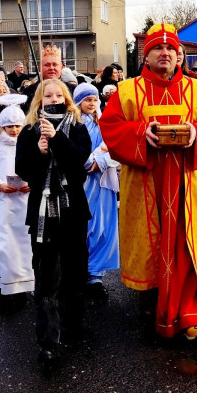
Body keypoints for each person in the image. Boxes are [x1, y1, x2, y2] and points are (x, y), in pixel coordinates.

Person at [99, 23, 197, 343]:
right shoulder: (128, 91)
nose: (165, 53)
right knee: (151, 248)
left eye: (171, 49)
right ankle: (154, 307)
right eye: (158, 48)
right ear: (147, 54)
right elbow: (111, 128)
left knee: (184, 248)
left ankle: (191, 318)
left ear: (180, 55)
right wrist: (143, 134)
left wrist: (196, 133)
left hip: (184, 185)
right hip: (145, 185)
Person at [15, 78, 92, 368]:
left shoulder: (78, 128)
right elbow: (23, 170)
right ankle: (48, 342)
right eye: (47, 95)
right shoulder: (30, 130)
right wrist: (40, 151)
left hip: (73, 210)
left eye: (58, 94)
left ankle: (72, 325)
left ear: (66, 97)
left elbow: (79, 166)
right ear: (39, 100)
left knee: (74, 271)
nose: (53, 98)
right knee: (46, 277)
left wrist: (58, 140)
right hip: (43, 214)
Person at [0, 99, 35, 313]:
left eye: (17, 126)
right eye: (9, 126)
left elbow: (38, 166)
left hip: (26, 202)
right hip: (4, 204)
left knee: (26, 245)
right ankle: (8, 290)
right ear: (1, 126)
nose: (13, 130)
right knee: (6, 246)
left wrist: (31, 182)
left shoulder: (29, 144)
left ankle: (25, 287)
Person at [73, 83, 120, 302]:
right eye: (87, 100)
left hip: (102, 182)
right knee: (86, 227)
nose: (91, 104)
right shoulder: (74, 124)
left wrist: (99, 161)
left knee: (103, 227)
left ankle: (96, 275)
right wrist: (86, 162)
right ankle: (80, 270)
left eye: (94, 100)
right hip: (83, 184)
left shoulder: (104, 124)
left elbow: (114, 148)